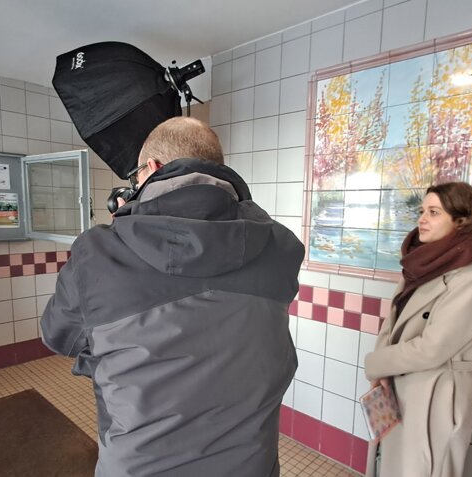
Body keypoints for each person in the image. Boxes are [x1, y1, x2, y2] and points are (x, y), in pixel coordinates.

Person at [41, 117, 304, 476]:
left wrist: (124, 222)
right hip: (249, 465)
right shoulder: (281, 246)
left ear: (150, 168)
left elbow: (58, 335)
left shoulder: (99, 251)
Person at [363, 182, 472, 477]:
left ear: (461, 222)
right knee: (388, 463)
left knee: (423, 469)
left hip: (435, 393)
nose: (422, 219)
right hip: (397, 382)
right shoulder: (421, 268)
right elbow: (393, 322)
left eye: (434, 212)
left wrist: (376, 364)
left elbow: (433, 348)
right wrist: (382, 371)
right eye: (422, 211)